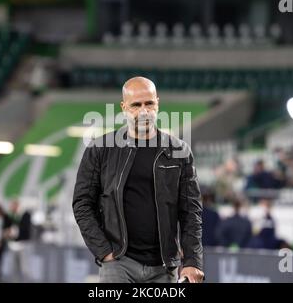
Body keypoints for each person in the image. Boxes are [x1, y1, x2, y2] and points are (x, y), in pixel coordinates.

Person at [72, 76, 204, 283]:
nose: (144, 111)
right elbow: (82, 203)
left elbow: (191, 212)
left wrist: (192, 261)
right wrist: (105, 251)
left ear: (157, 104)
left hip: (164, 267)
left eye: (149, 103)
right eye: (136, 105)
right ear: (124, 107)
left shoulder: (179, 151)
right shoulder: (101, 149)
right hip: (119, 263)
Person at [7, 199, 33, 282]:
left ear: (16, 205)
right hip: (14, 246)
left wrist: (14, 231)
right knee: (14, 270)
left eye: (12, 206)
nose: (10, 208)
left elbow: (26, 229)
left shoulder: (26, 214)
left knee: (25, 269)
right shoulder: (13, 216)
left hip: (24, 245)